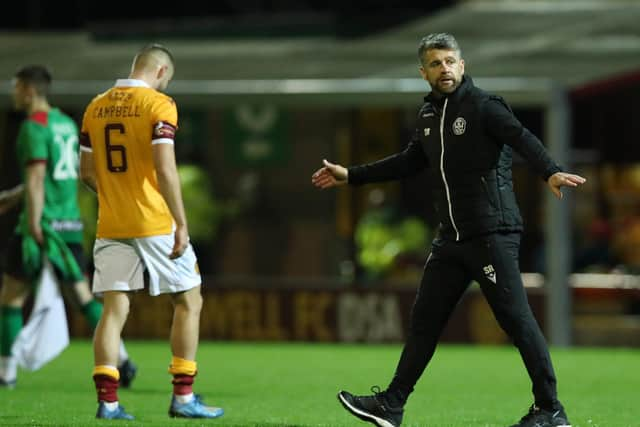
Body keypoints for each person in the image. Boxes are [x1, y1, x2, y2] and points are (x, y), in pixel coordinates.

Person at [312, 33, 585, 427]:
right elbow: (409, 162)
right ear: (423, 72)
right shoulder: (428, 116)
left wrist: (550, 171)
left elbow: (521, 137)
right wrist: (351, 175)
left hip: (492, 234)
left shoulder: (484, 107)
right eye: (436, 63)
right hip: (451, 240)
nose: (445, 69)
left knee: (516, 320)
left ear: (463, 64)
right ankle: (391, 405)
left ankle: (550, 409)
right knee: (425, 322)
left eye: (451, 61)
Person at [79, 44, 223, 420]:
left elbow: (87, 173)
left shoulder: (95, 106)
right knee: (188, 301)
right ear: (161, 73)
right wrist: (181, 223)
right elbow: (165, 169)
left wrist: (116, 196)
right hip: (155, 222)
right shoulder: (159, 105)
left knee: (114, 309)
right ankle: (183, 396)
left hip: (111, 224)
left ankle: (108, 403)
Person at [0, 65, 136, 389]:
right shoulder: (64, 124)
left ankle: (6, 373)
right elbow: (55, 174)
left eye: (16, 87)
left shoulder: (33, 127)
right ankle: (123, 359)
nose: (13, 93)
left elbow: (36, 179)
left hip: (41, 225)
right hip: (70, 223)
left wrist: (32, 222)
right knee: (81, 296)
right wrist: (14, 196)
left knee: (11, 297)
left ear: (29, 90)